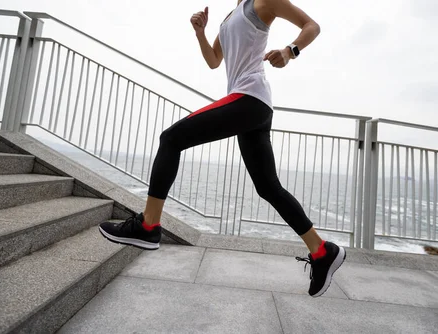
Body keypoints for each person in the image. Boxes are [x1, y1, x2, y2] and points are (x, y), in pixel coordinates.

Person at [99, 0, 346, 297]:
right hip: (251, 105)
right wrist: (200, 32)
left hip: (250, 96)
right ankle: (322, 251)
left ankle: (149, 226)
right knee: (268, 187)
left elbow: (312, 26)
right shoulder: (232, 14)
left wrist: (289, 51)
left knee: (171, 139)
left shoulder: (264, 2)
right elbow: (215, 59)